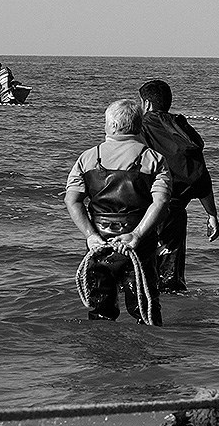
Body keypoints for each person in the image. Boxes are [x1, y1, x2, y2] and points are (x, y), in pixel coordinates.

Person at [65, 99, 172, 324]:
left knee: (100, 312)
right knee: (146, 312)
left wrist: (91, 236)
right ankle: (151, 355)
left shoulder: (88, 157)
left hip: (98, 246)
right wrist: (137, 235)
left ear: (111, 126)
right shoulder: (153, 159)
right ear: (139, 126)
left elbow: (72, 201)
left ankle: (101, 355)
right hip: (138, 246)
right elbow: (161, 202)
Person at [138, 79, 219, 294]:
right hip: (174, 212)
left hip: (144, 209)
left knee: (137, 272)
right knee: (170, 278)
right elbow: (199, 175)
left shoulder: (141, 126)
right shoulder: (183, 131)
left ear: (146, 104)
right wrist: (211, 214)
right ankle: (174, 321)